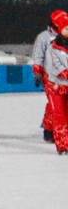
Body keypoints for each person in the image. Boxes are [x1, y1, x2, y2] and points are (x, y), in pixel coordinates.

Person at [31, 10, 68, 142]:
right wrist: (37, 72)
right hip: (50, 75)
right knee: (56, 105)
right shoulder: (44, 37)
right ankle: (50, 129)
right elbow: (38, 56)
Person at [40, 16, 68, 155]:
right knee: (60, 116)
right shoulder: (53, 47)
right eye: (66, 28)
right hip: (56, 87)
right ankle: (63, 146)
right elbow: (57, 68)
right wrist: (37, 71)